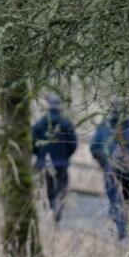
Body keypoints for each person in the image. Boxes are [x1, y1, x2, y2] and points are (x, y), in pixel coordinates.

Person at [90, 102, 129, 240]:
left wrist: (104, 162)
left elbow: (94, 148)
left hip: (111, 169)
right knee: (126, 198)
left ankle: (120, 225)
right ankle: (122, 226)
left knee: (115, 199)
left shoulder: (104, 126)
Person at [31, 94, 78, 222]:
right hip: (62, 164)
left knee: (46, 190)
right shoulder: (67, 124)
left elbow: (32, 144)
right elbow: (73, 144)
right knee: (61, 189)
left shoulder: (40, 124)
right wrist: (65, 157)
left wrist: (40, 157)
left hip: (43, 165)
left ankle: (48, 214)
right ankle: (56, 213)